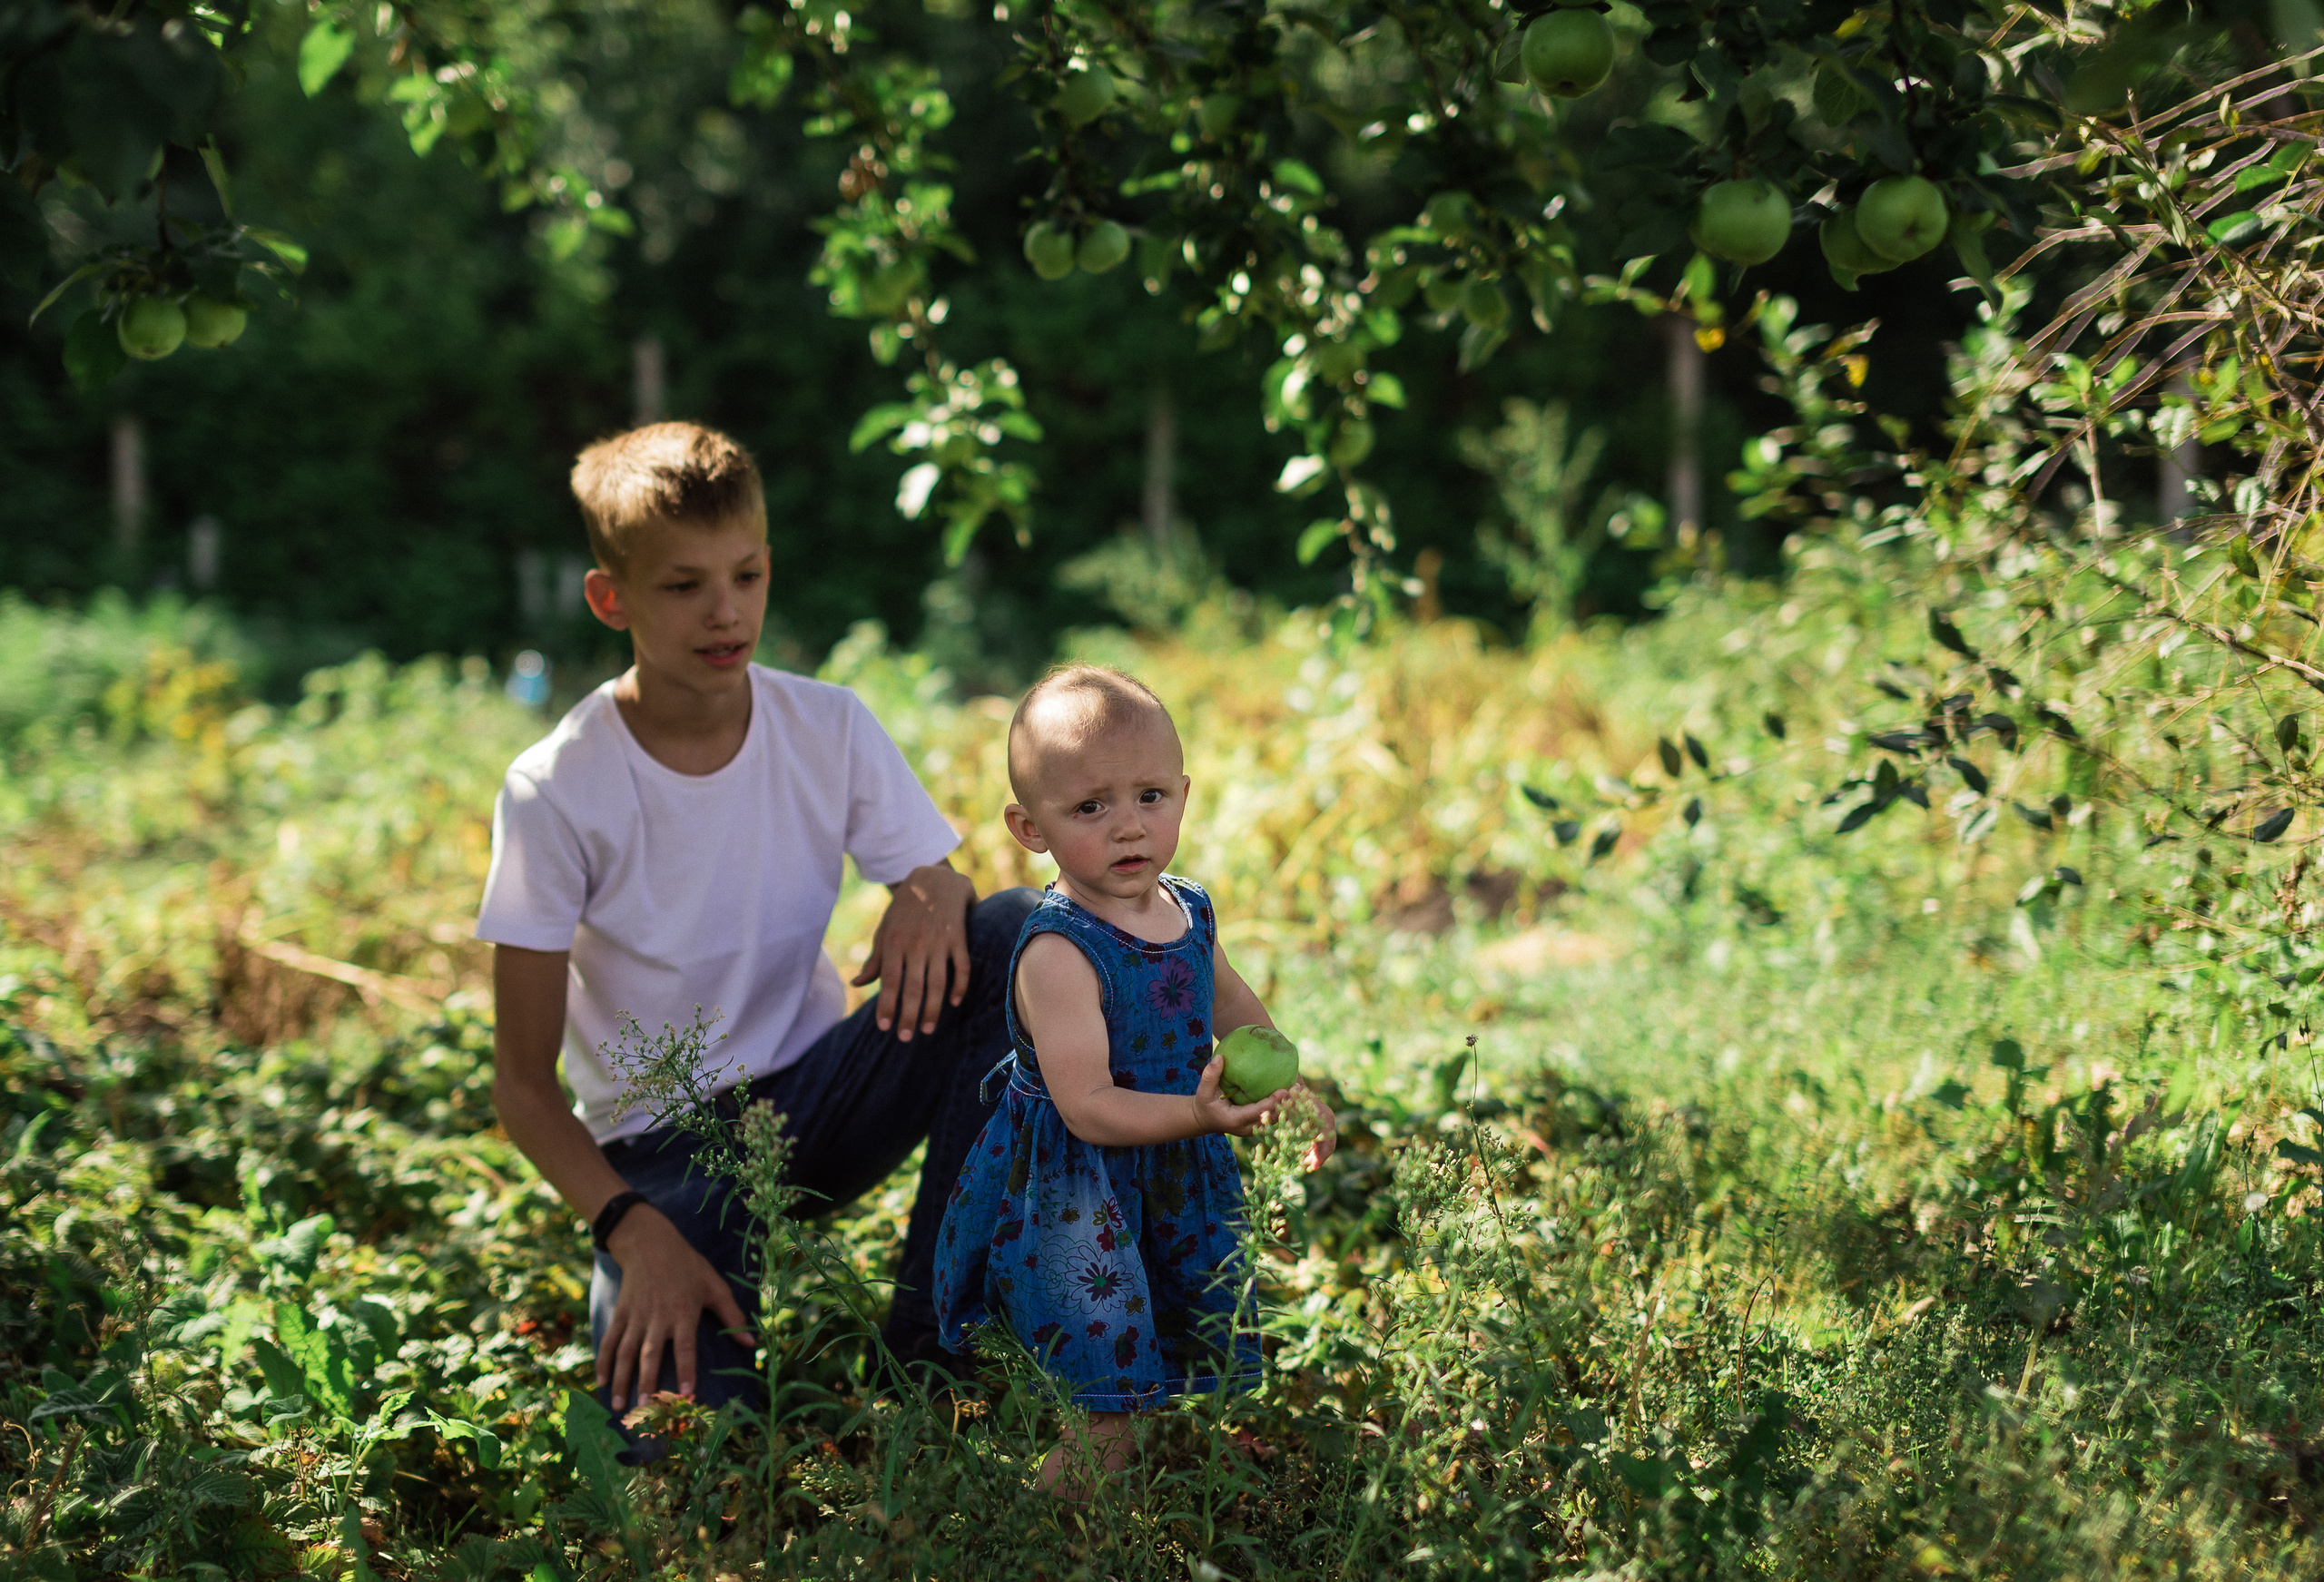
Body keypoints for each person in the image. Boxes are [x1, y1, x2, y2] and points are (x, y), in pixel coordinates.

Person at [476, 421, 1037, 1445]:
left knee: (1013, 931)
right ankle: (677, 1304)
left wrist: (934, 890)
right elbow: (519, 1085)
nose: (725, 612)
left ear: (769, 567)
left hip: (823, 1102)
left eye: (744, 574)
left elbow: (938, 883)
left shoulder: (827, 726)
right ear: (613, 599)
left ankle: (927, 1348)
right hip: (666, 1165)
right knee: (697, 1453)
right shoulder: (556, 791)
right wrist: (628, 1231)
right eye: (683, 586)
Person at [932, 664, 1336, 1497]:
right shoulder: (1059, 951)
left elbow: (1231, 1004)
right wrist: (1202, 1112)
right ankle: (1040, 1531)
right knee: (1108, 1393)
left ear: (1184, 794)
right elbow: (1087, 1106)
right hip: (1083, 1193)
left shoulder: (1187, 907)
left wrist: (1290, 1086)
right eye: (1090, 807)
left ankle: (1116, 1489)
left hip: (1171, 1169)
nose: (1128, 827)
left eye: (1150, 796)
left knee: (1158, 1353)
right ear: (1028, 825)